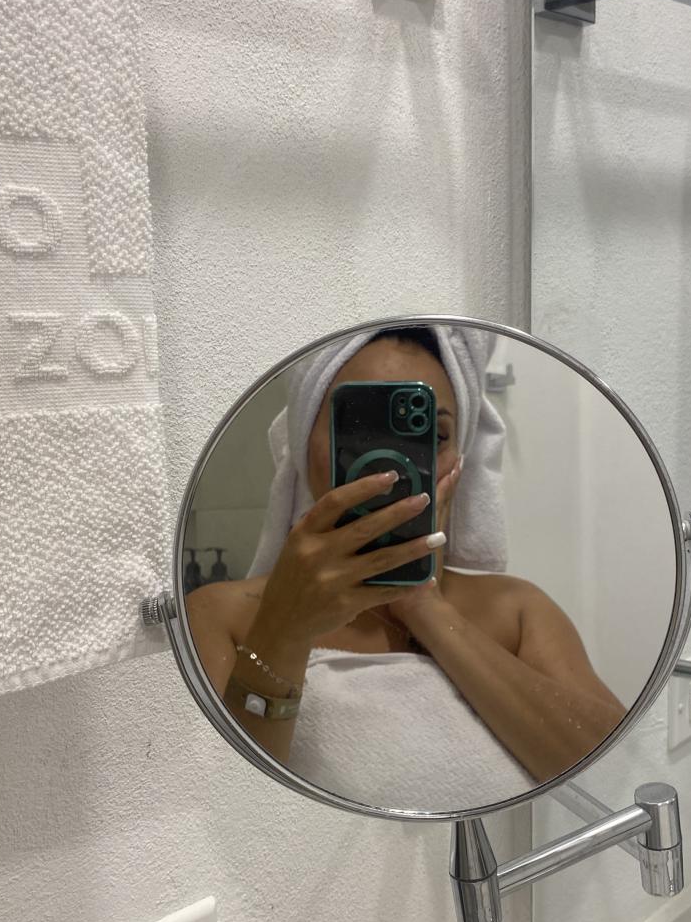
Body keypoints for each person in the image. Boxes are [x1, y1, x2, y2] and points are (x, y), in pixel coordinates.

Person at [186, 326, 625, 809]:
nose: (388, 465)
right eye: (358, 429)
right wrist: (284, 628)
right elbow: (231, 814)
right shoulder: (222, 616)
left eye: (431, 435)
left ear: (459, 460)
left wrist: (424, 607)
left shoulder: (518, 611)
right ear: (302, 442)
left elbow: (610, 772)